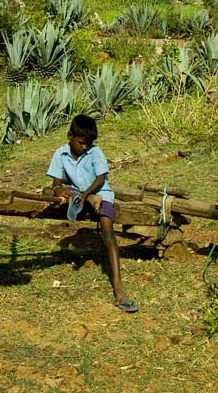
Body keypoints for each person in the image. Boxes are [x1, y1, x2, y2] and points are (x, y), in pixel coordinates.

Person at [44, 114, 137, 313]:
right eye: (81, 143)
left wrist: (87, 195)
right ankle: (86, 200)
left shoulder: (95, 152)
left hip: (98, 193)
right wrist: (59, 190)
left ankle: (118, 287)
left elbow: (101, 178)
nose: (84, 147)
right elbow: (56, 183)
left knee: (107, 228)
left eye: (87, 144)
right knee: (47, 192)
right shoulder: (60, 154)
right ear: (70, 136)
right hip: (77, 195)